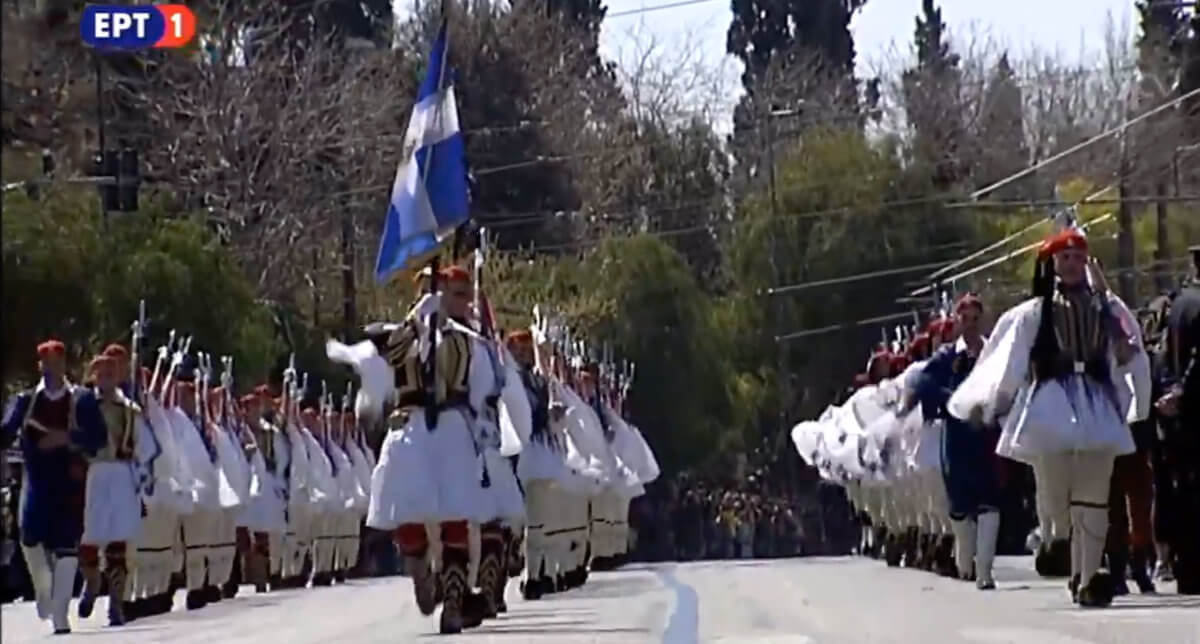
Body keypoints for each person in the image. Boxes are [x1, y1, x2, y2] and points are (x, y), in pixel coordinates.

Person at [948, 226, 1145, 607]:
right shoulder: (1035, 312)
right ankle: (1063, 547)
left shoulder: (1106, 307)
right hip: (1051, 403)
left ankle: (1089, 577)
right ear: (1053, 264)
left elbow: (1127, 353)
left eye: (1078, 258)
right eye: (1065, 258)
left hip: (1096, 401)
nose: (1072, 265)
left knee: (1094, 494)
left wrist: (1108, 307)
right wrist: (991, 401)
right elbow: (1010, 361)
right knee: (1055, 497)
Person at [364, 264, 492, 634]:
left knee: (455, 516)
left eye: (466, 294)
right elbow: (386, 352)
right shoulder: (407, 332)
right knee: (406, 508)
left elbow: (484, 389)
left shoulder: (471, 339)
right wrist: (419, 320)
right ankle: (420, 568)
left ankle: (452, 601)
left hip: (451, 425)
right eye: (456, 294)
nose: (464, 302)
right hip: (412, 425)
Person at [915, 294, 1002, 589]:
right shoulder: (947, 357)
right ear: (957, 321)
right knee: (960, 503)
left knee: (990, 501)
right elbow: (924, 384)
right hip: (957, 436)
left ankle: (985, 571)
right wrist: (950, 400)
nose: (971, 325)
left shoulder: (994, 353)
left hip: (987, 433)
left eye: (976, 319)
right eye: (965, 319)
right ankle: (965, 561)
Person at [1, 340, 87, 634]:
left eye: (57, 361)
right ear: (40, 366)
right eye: (46, 362)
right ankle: (43, 590)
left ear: (65, 364)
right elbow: (5, 432)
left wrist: (67, 439)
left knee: (67, 549)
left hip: (68, 485)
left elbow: (98, 437)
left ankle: (61, 616)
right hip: (36, 483)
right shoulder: (25, 402)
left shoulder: (81, 400)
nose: (52, 367)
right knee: (29, 539)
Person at [73, 353, 145, 626]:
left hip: (120, 474)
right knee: (90, 536)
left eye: (110, 374)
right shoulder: (83, 404)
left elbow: (142, 445)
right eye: (100, 374)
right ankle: (91, 583)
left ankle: (116, 602)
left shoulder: (130, 409)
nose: (104, 379)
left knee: (118, 540)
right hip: (96, 472)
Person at [1155, 244, 1200, 594]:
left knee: (1182, 490)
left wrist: (1171, 393)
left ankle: (1187, 568)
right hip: (1193, 405)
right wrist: (1183, 390)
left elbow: (1165, 355)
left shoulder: (1179, 306)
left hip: (1179, 417)